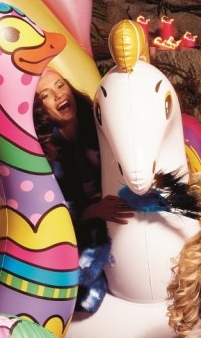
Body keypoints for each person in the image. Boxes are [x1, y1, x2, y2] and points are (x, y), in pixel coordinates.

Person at [34, 67, 132, 228]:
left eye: (60, 85)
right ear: (40, 108)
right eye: (46, 95)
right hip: (85, 229)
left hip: (123, 200)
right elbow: (57, 215)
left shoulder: (99, 121)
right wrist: (95, 210)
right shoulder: (45, 153)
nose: (58, 95)